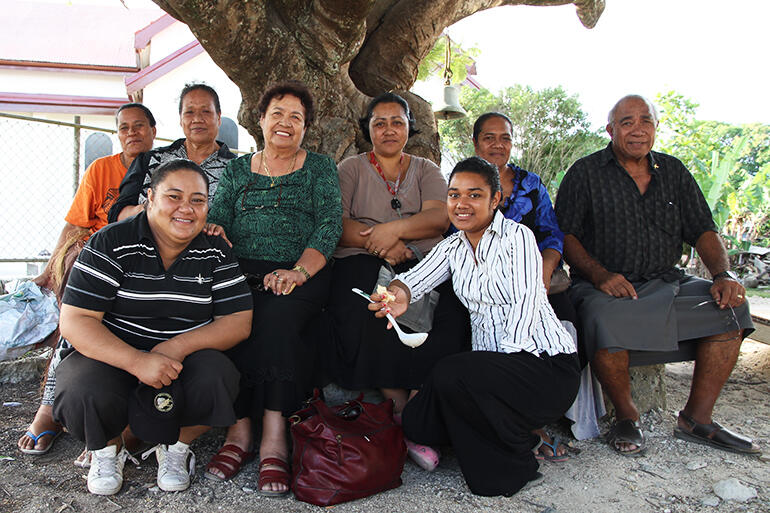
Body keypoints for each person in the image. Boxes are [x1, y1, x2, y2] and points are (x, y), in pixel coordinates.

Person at [554, 94, 758, 456]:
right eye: (627, 122)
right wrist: (601, 276)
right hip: (608, 287)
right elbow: (565, 235)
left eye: (645, 121)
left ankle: (698, 419)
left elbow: (703, 230)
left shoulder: (674, 171)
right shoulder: (585, 173)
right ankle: (626, 417)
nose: (637, 130)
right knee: (601, 319)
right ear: (610, 129)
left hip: (670, 282)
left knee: (731, 310)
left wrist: (723, 273)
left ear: (656, 127)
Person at [370, 156, 580, 497]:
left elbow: (525, 307)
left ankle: (513, 462)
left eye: (474, 195)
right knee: (418, 422)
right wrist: (397, 294)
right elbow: (414, 280)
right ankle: (511, 434)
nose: (461, 204)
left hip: (542, 366)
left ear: (495, 200)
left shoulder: (519, 238)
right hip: (493, 371)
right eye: (454, 195)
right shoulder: (454, 246)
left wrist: (486, 376)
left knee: (454, 372)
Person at [52, 159, 253, 496]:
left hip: (181, 360)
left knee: (219, 377)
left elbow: (238, 322)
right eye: (173, 197)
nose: (186, 209)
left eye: (198, 200)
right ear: (149, 197)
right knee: (78, 387)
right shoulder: (111, 242)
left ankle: (175, 447)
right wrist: (136, 361)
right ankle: (109, 448)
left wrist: (174, 347)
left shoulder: (216, 250)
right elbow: (76, 320)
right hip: (113, 357)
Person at [205, 81, 342, 497]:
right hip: (240, 269)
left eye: (296, 118)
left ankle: (274, 434)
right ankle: (238, 430)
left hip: (302, 270)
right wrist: (215, 228)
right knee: (233, 315)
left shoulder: (320, 167)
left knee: (278, 317)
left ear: (305, 129)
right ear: (260, 119)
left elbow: (329, 225)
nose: (285, 123)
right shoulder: (237, 169)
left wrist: (298, 271)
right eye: (277, 114)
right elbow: (218, 216)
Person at [326, 92, 470, 471]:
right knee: (369, 309)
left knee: (453, 310)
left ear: (409, 127)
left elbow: (438, 219)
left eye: (397, 122)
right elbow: (337, 226)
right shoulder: (351, 169)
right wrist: (382, 246)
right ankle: (407, 415)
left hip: (424, 261)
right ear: (367, 129)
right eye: (379, 122)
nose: (389, 129)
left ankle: (427, 404)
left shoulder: (425, 169)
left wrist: (392, 234)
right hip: (361, 258)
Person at [18, 103, 157, 456]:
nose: (131, 133)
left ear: (154, 131)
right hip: (94, 255)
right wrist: (51, 268)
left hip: (140, 258)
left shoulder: (162, 167)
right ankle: (49, 408)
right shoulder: (101, 169)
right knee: (77, 291)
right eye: (124, 128)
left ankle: (126, 421)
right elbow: (76, 222)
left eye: (139, 126)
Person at [472, 111, 589, 457]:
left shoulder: (531, 184)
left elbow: (552, 234)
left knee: (566, 322)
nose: (498, 144)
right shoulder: (466, 182)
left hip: (537, 278)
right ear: (475, 142)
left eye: (505, 138)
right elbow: (457, 237)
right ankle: (520, 420)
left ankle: (557, 411)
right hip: (486, 283)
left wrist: (543, 270)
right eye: (489, 138)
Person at [108, 83, 235, 223]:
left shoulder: (236, 169)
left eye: (206, 111)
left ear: (218, 117)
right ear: (180, 119)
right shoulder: (150, 160)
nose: (197, 119)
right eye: (189, 112)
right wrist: (151, 208)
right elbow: (117, 215)